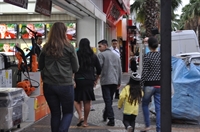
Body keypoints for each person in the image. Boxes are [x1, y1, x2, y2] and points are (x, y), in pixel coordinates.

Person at [38, 22, 79, 132]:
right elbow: (76, 67)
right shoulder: (69, 47)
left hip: (49, 85)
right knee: (68, 112)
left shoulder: (46, 47)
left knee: (55, 114)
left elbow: (40, 65)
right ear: (64, 32)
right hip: (65, 84)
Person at [74, 38, 101, 127]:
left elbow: (72, 68)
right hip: (89, 80)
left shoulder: (76, 55)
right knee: (87, 101)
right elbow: (99, 69)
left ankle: (80, 116)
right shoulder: (93, 56)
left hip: (78, 80)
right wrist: (96, 79)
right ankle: (85, 122)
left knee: (76, 99)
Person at [97, 39, 122, 126]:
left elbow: (98, 67)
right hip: (114, 81)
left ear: (105, 46)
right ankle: (105, 114)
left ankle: (111, 119)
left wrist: (96, 76)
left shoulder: (101, 55)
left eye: (100, 46)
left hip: (105, 81)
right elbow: (119, 70)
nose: (99, 48)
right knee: (109, 99)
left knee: (107, 100)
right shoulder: (116, 56)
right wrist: (119, 82)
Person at [141, 37, 161, 132]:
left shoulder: (148, 56)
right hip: (159, 85)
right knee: (159, 107)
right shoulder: (161, 56)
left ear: (149, 46)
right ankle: (159, 128)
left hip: (148, 84)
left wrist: (141, 85)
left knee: (145, 104)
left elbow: (144, 72)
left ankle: (148, 125)